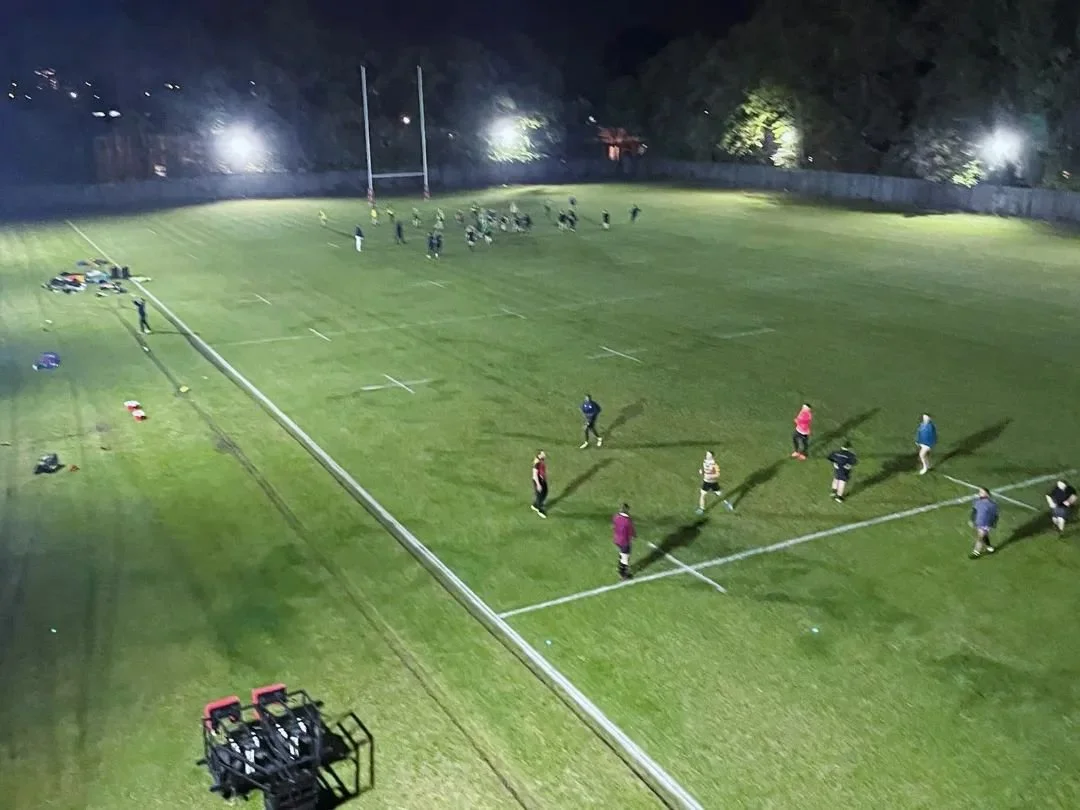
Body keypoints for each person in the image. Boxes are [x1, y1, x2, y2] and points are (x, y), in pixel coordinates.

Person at [969, 488, 999, 558]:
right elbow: (974, 511)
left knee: (980, 537)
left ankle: (976, 552)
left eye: (981, 492)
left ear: (987, 494)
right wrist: (972, 520)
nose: (979, 493)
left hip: (986, 524)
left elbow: (995, 515)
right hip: (978, 522)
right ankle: (989, 547)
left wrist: (993, 524)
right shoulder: (977, 502)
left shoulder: (992, 505)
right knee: (984, 536)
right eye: (979, 492)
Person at [612, 504, 635, 580]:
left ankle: (620, 569)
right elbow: (631, 532)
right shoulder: (628, 520)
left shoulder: (616, 517)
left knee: (622, 554)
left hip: (617, 540)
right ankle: (623, 575)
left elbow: (614, 526)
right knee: (625, 557)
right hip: (625, 541)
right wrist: (633, 537)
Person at [531, 450, 548, 518]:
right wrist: (538, 484)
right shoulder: (536, 463)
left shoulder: (541, 460)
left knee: (545, 491)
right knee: (540, 495)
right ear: (539, 455)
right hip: (538, 481)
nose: (544, 455)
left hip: (542, 480)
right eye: (543, 454)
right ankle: (540, 510)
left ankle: (535, 505)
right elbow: (535, 475)